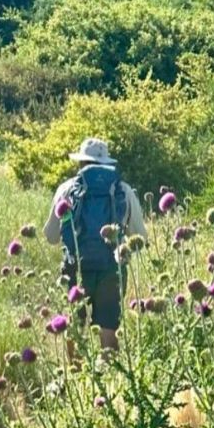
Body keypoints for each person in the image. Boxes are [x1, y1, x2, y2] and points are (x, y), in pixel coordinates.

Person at [44, 137, 147, 351]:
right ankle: (109, 378)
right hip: (112, 268)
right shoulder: (123, 190)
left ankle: (75, 378)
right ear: (106, 162)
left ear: (81, 162)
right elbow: (140, 237)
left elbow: (51, 236)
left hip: (75, 267)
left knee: (73, 327)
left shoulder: (66, 190)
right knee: (109, 327)